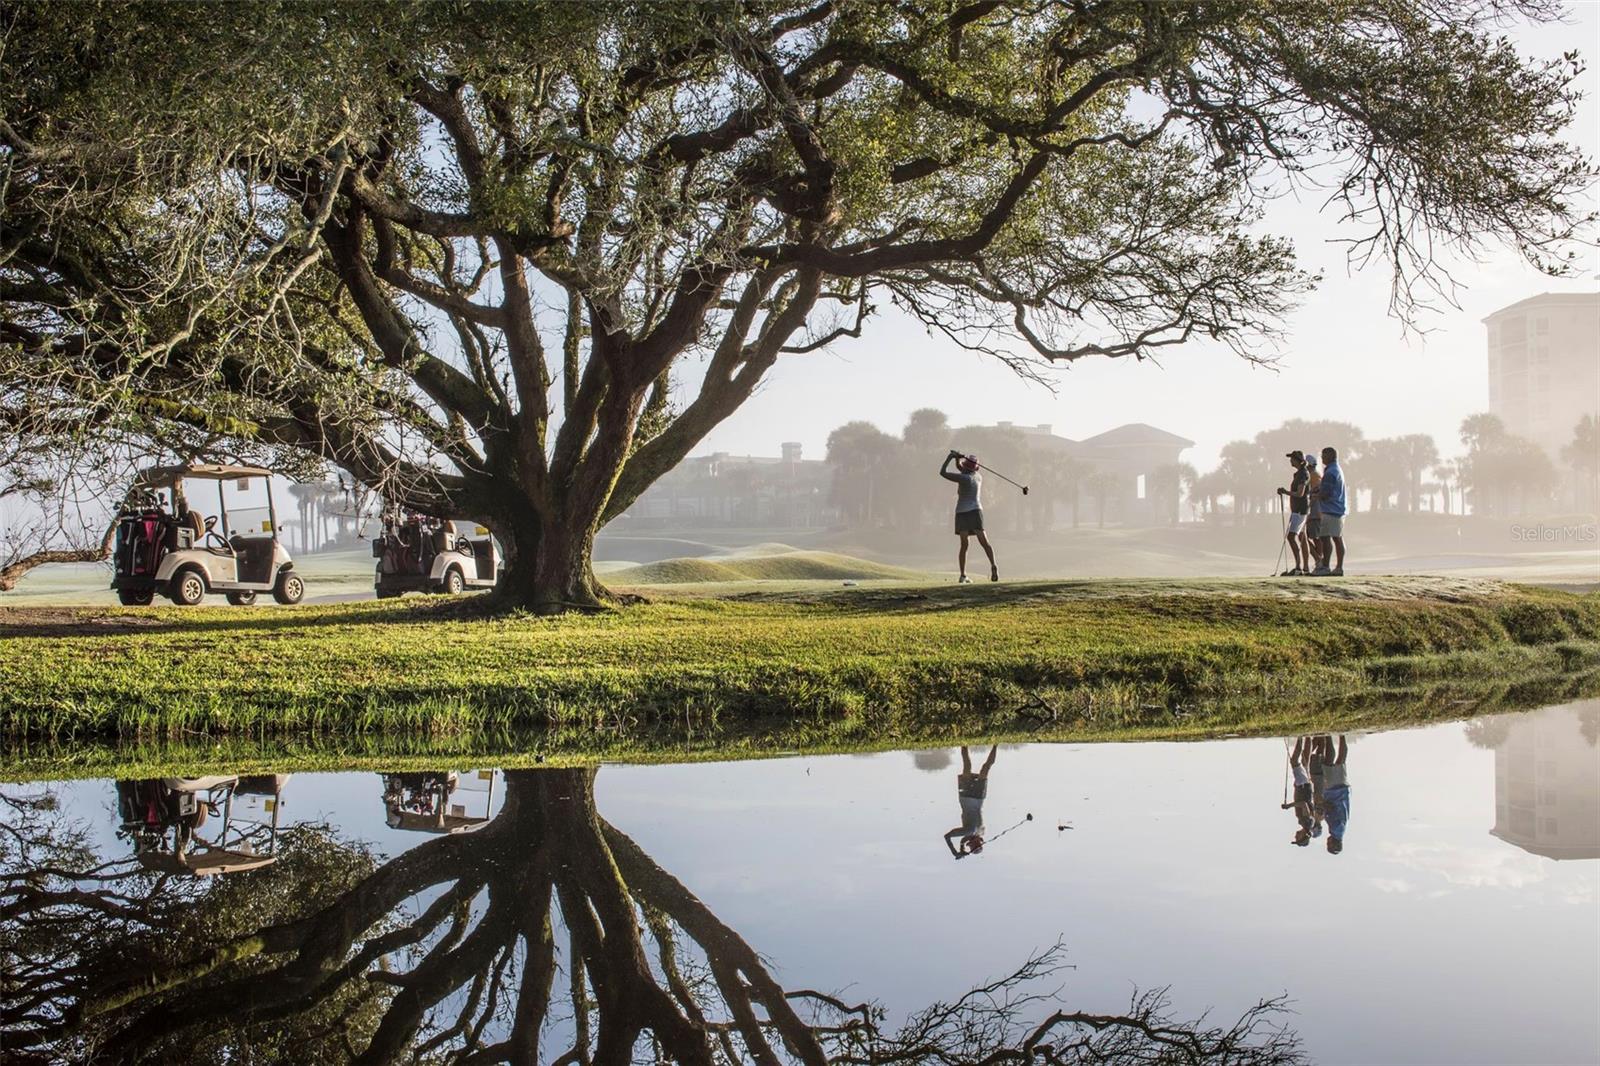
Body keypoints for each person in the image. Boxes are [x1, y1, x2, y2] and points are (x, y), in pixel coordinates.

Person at [941, 450, 997, 583]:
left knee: (964, 545)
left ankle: (962, 575)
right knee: (984, 542)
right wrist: (957, 460)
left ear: (966, 466)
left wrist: (950, 457)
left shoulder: (964, 478)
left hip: (962, 512)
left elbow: (942, 473)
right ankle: (993, 565)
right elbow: (961, 468)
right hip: (975, 511)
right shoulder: (978, 476)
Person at [944, 745, 997, 859]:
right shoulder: (973, 832)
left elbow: (961, 838)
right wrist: (956, 851)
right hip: (973, 798)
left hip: (973, 798)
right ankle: (994, 744)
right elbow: (948, 836)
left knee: (979, 768)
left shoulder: (975, 832)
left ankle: (966, 744)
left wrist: (959, 850)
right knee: (978, 768)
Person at [1313, 446, 1347, 576]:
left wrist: (1315, 496)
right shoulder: (1335, 469)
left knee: (1326, 538)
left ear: (1330, 456)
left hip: (1331, 509)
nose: (1322, 458)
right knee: (1336, 538)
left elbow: (1325, 493)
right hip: (1337, 508)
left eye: (1323, 455)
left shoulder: (1331, 472)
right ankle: (1337, 567)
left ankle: (1326, 567)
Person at [1276, 451, 1310, 576]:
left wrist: (1285, 492)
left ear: (1298, 460)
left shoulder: (1303, 474)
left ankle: (1298, 568)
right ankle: (1304, 568)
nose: (1290, 460)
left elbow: (1300, 494)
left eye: (1292, 458)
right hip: (1299, 509)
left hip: (1300, 510)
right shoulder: (1298, 474)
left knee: (1291, 537)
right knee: (1302, 537)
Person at [1317, 734, 1350, 853]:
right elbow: (1331, 808)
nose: (1327, 842)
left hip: (1339, 791)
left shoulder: (1338, 831)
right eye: (1328, 845)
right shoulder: (1336, 829)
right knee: (1334, 762)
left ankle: (1338, 735)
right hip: (1335, 792)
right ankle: (1333, 735)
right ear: (1333, 844)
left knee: (1338, 762)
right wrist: (1321, 807)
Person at [1288, 735, 1318, 846]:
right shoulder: (1307, 823)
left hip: (1305, 788)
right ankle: (1301, 737)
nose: (1295, 836)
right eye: (1297, 838)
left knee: (1305, 762)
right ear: (1303, 836)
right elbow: (1303, 804)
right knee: (1294, 761)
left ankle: (1308, 737)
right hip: (1303, 788)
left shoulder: (1308, 823)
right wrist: (1289, 806)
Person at [1303, 453, 1324, 572]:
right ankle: (1319, 561)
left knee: (1315, 538)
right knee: (1313, 537)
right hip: (1314, 512)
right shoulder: (1313, 474)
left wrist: (1308, 508)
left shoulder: (1314, 476)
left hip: (1315, 512)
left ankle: (1319, 561)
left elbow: (1314, 495)